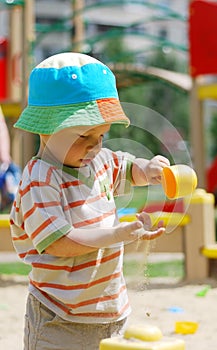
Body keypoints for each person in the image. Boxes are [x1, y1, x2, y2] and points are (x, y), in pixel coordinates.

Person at [10, 52, 170, 350]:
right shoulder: (40, 180)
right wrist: (117, 234)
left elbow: (125, 167)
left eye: (101, 136)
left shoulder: (98, 161)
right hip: (59, 315)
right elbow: (59, 242)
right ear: (47, 128)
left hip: (110, 310)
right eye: (84, 136)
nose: (95, 146)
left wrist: (148, 170)